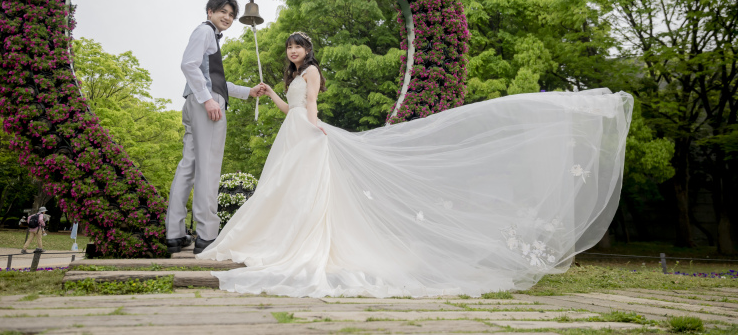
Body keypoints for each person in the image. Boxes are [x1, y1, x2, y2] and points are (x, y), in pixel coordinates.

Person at [197, 31, 633, 298]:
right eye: (290, 47)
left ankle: (298, 246)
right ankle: (278, 240)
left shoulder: (311, 74)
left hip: (305, 134)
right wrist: (268, 92)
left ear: (309, 51)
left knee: (302, 194)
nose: (293, 51)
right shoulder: (291, 77)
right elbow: (289, 108)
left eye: (299, 46)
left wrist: (315, 130)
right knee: (282, 192)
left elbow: (309, 108)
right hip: (290, 133)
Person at [167, 0, 262, 254]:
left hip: (196, 102)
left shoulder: (208, 35)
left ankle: (174, 233)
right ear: (210, 11)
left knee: (189, 164)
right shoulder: (205, 31)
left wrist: (248, 91)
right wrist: (209, 101)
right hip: (206, 105)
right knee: (208, 167)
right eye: (223, 12)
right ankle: (207, 235)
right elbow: (189, 65)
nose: (228, 18)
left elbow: (211, 79)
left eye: (232, 14)